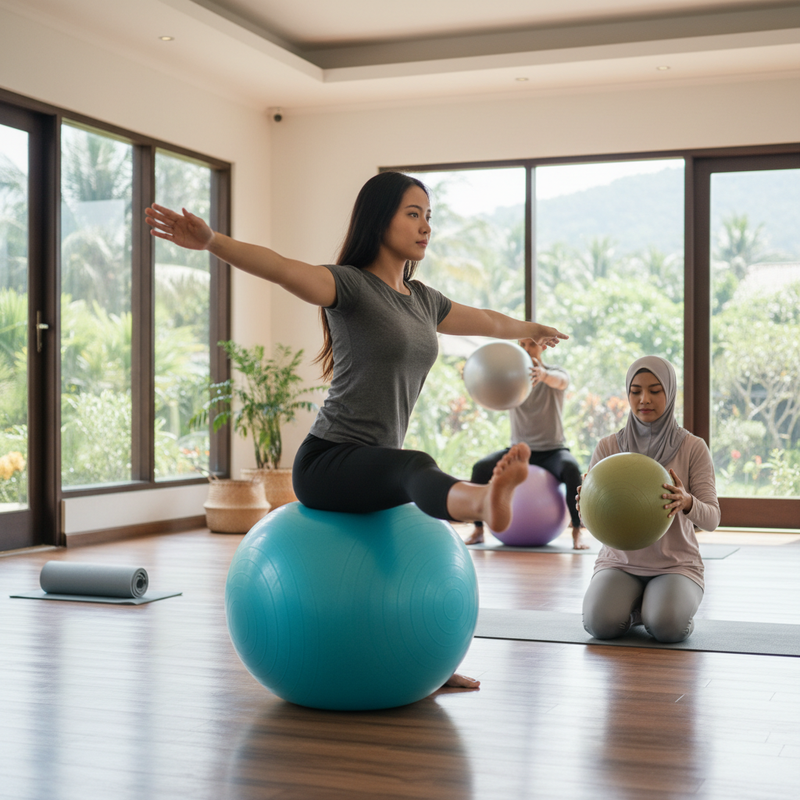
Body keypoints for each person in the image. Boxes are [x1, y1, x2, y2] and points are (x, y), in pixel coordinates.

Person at [145, 171, 568, 686]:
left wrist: (529, 329)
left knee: (404, 515)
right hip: (329, 461)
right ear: (379, 220)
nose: (425, 226)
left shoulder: (423, 300)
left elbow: (486, 321)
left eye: (429, 216)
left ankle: (430, 659)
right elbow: (280, 268)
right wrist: (212, 240)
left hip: (376, 463)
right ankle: (483, 502)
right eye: (412, 214)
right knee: (415, 466)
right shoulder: (348, 286)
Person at [579, 356, 720, 643]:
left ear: (670, 392)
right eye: (636, 391)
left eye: (655, 390)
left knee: (668, 627)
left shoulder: (693, 448)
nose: (644, 399)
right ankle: (638, 611)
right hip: (619, 563)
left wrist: (687, 502)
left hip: (675, 565)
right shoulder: (608, 447)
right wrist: (586, 504)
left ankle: (657, 610)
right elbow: (589, 521)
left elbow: (712, 519)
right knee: (599, 625)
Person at [465, 337, 587, 549]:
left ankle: (577, 530)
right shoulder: (511, 377)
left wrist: (543, 375)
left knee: (571, 468)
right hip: (519, 451)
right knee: (480, 469)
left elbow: (561, 381)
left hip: (552, 450)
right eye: (522, 345)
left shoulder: (554, 373)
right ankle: (478, 530)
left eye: (532, 344)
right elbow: (491, 386)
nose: (527, 349)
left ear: (543, 346)